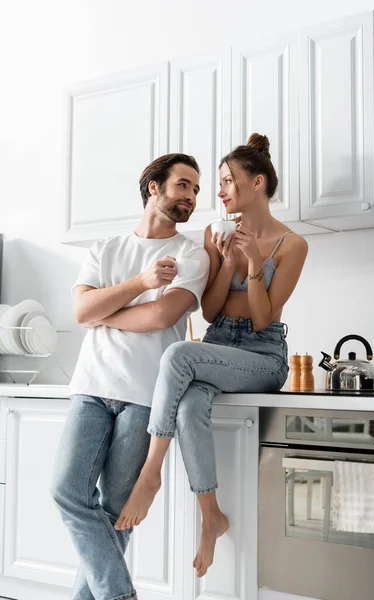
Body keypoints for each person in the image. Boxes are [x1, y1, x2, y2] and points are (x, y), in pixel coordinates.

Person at [114, 133, 309, 578]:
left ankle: (151, 473)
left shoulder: (292, 245)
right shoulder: (214, 233)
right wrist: (222, 263)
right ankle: (212, 516)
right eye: (215, 183)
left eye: (225, 181)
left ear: (256, 182)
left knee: (181, 355)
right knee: (188, 408)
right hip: (219, 344)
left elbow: (262, 319)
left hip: (262, 356)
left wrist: (254, 265)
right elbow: (210, 309)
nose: (217, 192)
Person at [51, 153, 210, 600]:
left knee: (117, 513)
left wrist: (104, 310)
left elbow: (162, 316)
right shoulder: (106, 249)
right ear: (153, 187)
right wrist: (140, 283)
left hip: (145, 397)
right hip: (90, 388)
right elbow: (82, 312)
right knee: (66, 492)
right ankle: (120, 596)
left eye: (196, 190)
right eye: (183, 185)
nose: (192, 197)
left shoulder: (191, 254)